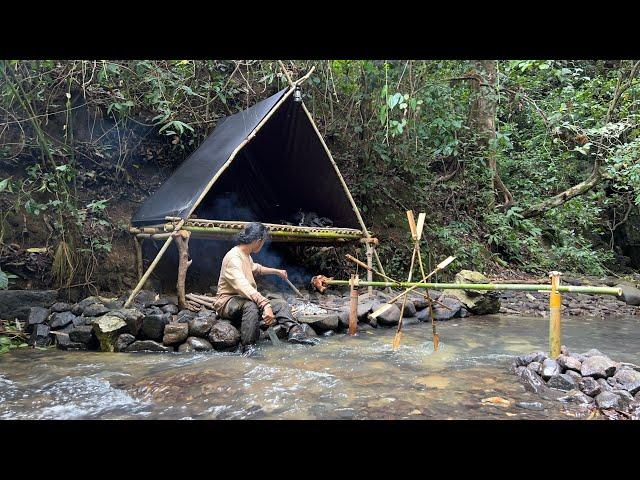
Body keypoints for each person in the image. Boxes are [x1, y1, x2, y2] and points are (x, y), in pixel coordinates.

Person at [212, 222, 316, 347]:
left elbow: (255, 268)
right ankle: (248, 346)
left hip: (244, 298)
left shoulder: (245, 254)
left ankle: (295, 332)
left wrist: (276, 271)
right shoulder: (233, 258)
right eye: (263, 242)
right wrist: (264, 304)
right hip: (227, 302)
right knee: (251, 306)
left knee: (280, 304)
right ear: (258, 241)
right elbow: (243, 286)